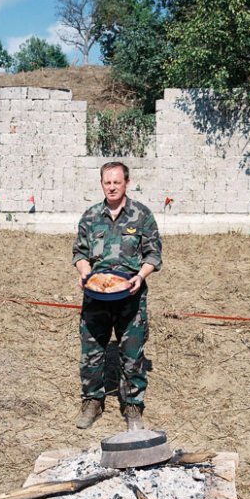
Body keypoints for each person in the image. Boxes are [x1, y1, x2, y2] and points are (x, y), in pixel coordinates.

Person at [72, 162, 163, 430]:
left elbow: (154, 254)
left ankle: (132, 405)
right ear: (101, 183)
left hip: (130, 296)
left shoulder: (141, 215)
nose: (112, 187)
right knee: (91, 352)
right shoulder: (90, 217)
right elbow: (79, 252)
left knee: (132, 354)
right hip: (96, 295)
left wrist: (140, 276)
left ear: (126, 183)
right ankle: (92, 401)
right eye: (107, 182)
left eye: (117, 182)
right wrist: (86, 273)